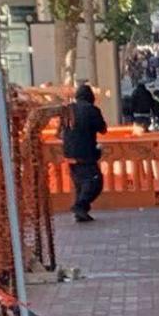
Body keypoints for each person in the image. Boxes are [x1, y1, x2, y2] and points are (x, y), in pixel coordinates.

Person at [58, 83, 106, 224]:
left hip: (69, 153)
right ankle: (79, 206)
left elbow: (60, 132)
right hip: (86, 152)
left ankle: (81, 213)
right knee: (95, 182)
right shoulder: (92, 110)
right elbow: (102, 128)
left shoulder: (68, 110)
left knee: (80, 183)